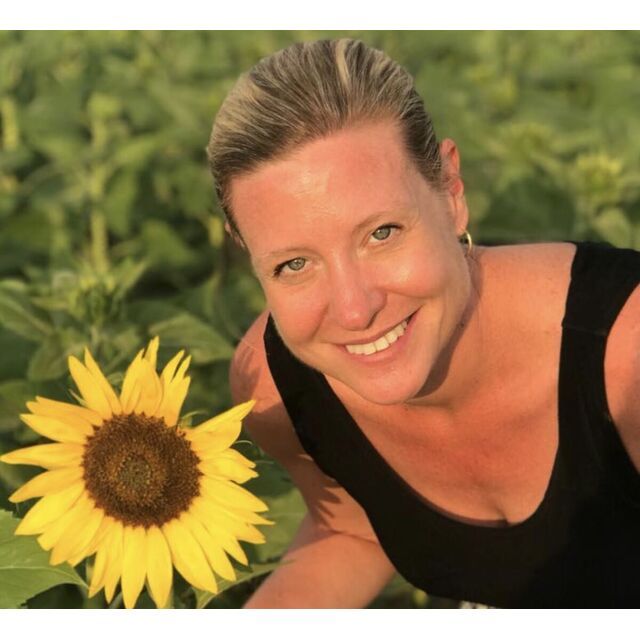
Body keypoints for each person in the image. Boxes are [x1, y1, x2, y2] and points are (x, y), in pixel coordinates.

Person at [206, 38, 640, 608]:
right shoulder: (278, 392)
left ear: (450, 192)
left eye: (381, 233)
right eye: (294, 264)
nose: (355, 310)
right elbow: (356, 531)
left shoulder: (626, 359)